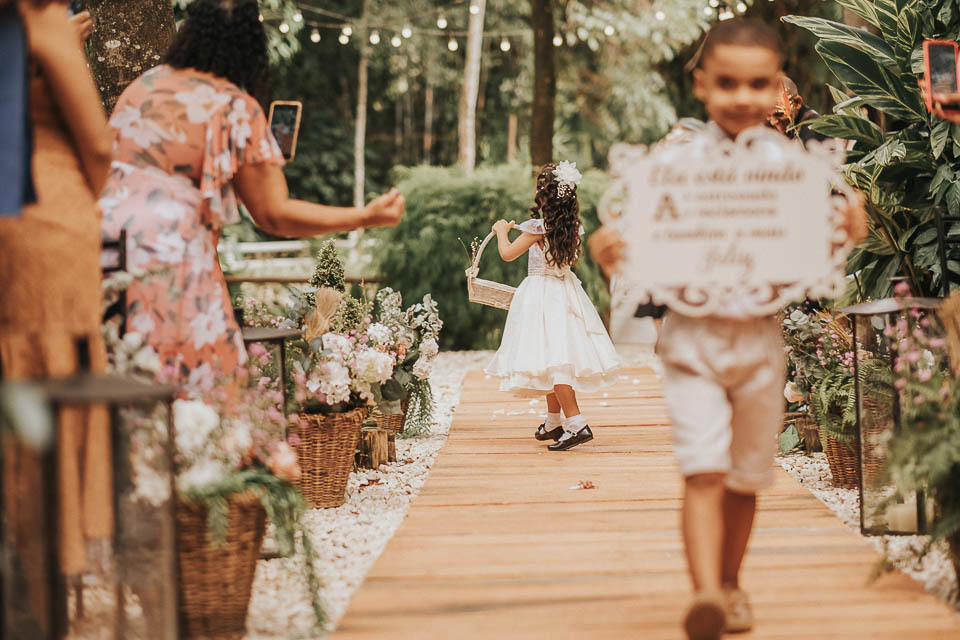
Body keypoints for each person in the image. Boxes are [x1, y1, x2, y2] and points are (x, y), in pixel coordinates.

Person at [589, 19, 866, 640]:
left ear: (777, 88)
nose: (743, 96)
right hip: (690, 342)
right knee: (702, 469)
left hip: (760, 345)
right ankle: (705, 594)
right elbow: (640, 237)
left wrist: (846, 231)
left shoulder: (792, 170)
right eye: (728, 83)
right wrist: (613, 251)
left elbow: (812, 244)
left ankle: (733, 583)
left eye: (758, 83)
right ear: (701, 85)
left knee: (746, 477)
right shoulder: (673, 164)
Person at [98, 0, 405, 390]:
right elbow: (274, 214)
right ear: (249, 44)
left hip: (102, 250)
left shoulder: (142, 88)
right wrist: (365, 217)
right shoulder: (233, 106)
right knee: (201, 382)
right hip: (171, 256)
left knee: (119, 379)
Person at [0, 0, 115, 627]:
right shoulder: (38, 18)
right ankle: (50, 561)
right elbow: (97, 146)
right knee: (55, 377)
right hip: (48, 218)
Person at [484, 162, 621, 451]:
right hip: (564, 291)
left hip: (541, 294)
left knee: (554, 359)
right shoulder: (571, 227)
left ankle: (577, 423)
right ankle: (553, 422)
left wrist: (500, 231)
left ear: (544, 195)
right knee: (552, 355)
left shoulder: (537, 227)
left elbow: (508, 254)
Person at [767, 75, 830, 144]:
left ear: (797, 103)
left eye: (779, 114)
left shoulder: (814, 130)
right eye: (768, 116)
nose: (773, 122)